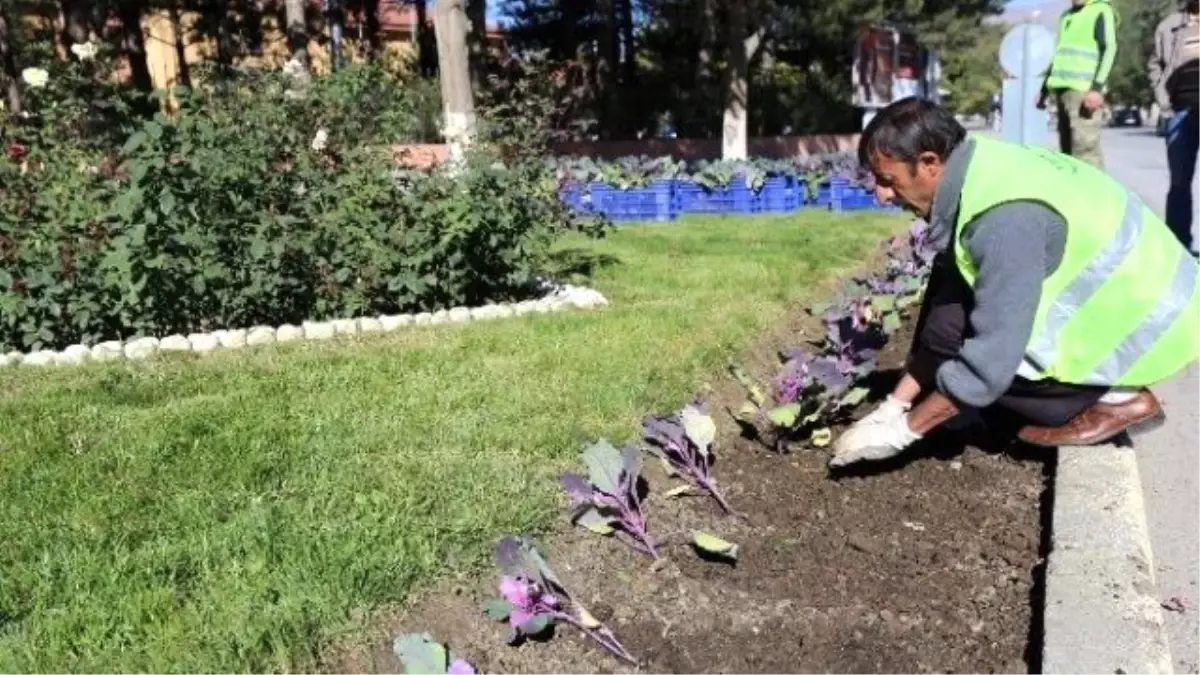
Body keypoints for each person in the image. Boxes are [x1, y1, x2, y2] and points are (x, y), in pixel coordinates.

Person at [828, 97, 1200, 469]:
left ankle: (1117, 398)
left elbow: (990, 361)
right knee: (947, 318)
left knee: (985, 356)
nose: (881, 194)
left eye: (888, 180)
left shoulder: (1003, 222)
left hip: (1155, 321)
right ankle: (976, 406)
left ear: (929, 163)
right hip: (1135, 295)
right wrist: (894, 405)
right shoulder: (979, 165)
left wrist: (902, 432)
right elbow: (950, 308)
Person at [1036, 0, 1119, 169]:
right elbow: (1058, 56)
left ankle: (1094, 193)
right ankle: (1072, 194)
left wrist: (1097, 88)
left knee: (1085, 151)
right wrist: (1044, 89)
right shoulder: (1066, 16)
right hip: (1062, 90)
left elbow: (1109, 49)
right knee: (1067, 153)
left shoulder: (1101, 10)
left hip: (1084, 92)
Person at [1149, 0, 1200, 252]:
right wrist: (1163, 101)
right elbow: (1155, 65)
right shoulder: (1169, 26)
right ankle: (1178, 247)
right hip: (1180, 112)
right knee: (1180, 182)